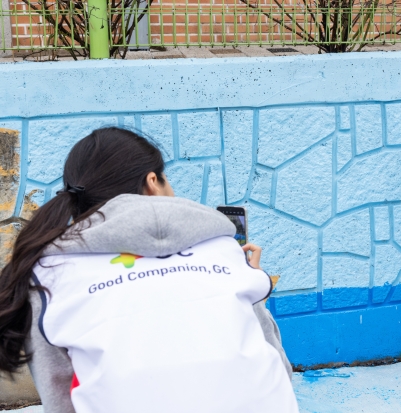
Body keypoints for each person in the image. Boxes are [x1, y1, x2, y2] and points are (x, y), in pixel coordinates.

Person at [0, 127, 299, 412]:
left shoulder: (49, 274)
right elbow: (275, 364)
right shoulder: (223, 248)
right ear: (153, 181)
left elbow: (60, 397)